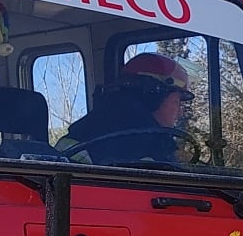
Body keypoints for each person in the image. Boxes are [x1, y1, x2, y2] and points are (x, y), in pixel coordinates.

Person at [57, 52, 193, 163]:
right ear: (153, 97)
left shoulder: (82, 134)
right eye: (176, 102)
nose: (180, 112)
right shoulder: (150, 148)